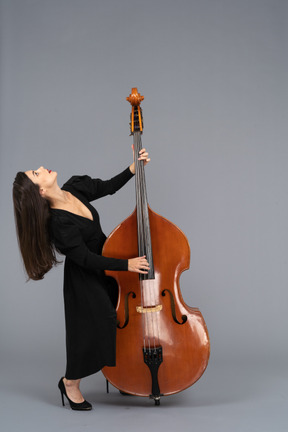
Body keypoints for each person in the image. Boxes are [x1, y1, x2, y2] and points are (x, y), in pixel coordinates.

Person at [12, 148, 150, 411]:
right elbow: (85, 259)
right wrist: (127, 265)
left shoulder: (73, 188)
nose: (42, 167)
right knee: (97, 325)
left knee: (120, 317)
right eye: (36, 173)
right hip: (85, 277)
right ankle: (70, 382)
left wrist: (134, 167)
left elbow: (107, 187)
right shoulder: (59, 224)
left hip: (108, 264)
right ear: (39, 192)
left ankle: (120, 376)